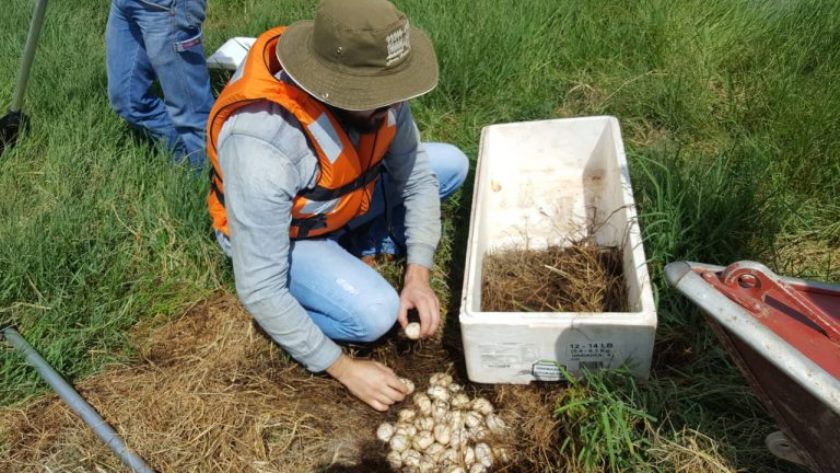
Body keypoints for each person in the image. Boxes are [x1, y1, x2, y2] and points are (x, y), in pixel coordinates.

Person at [206, 0, 469, 411]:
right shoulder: (263, 144)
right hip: (289, 234)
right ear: (332, 84)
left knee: (451, 163)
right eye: (379, 95)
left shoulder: (380, 99)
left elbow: (417, 178)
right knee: (373, 315)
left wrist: (418, 273)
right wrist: (344, 368)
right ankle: (314, 298)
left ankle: (353, 246)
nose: (394, 103)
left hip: (339, 197)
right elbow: (259, 286)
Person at [105, 0, 215, 170]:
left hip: (166, 8)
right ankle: (182, 162)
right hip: (124, 4)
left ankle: (206, 182)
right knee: (127, 100)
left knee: (191, 114)